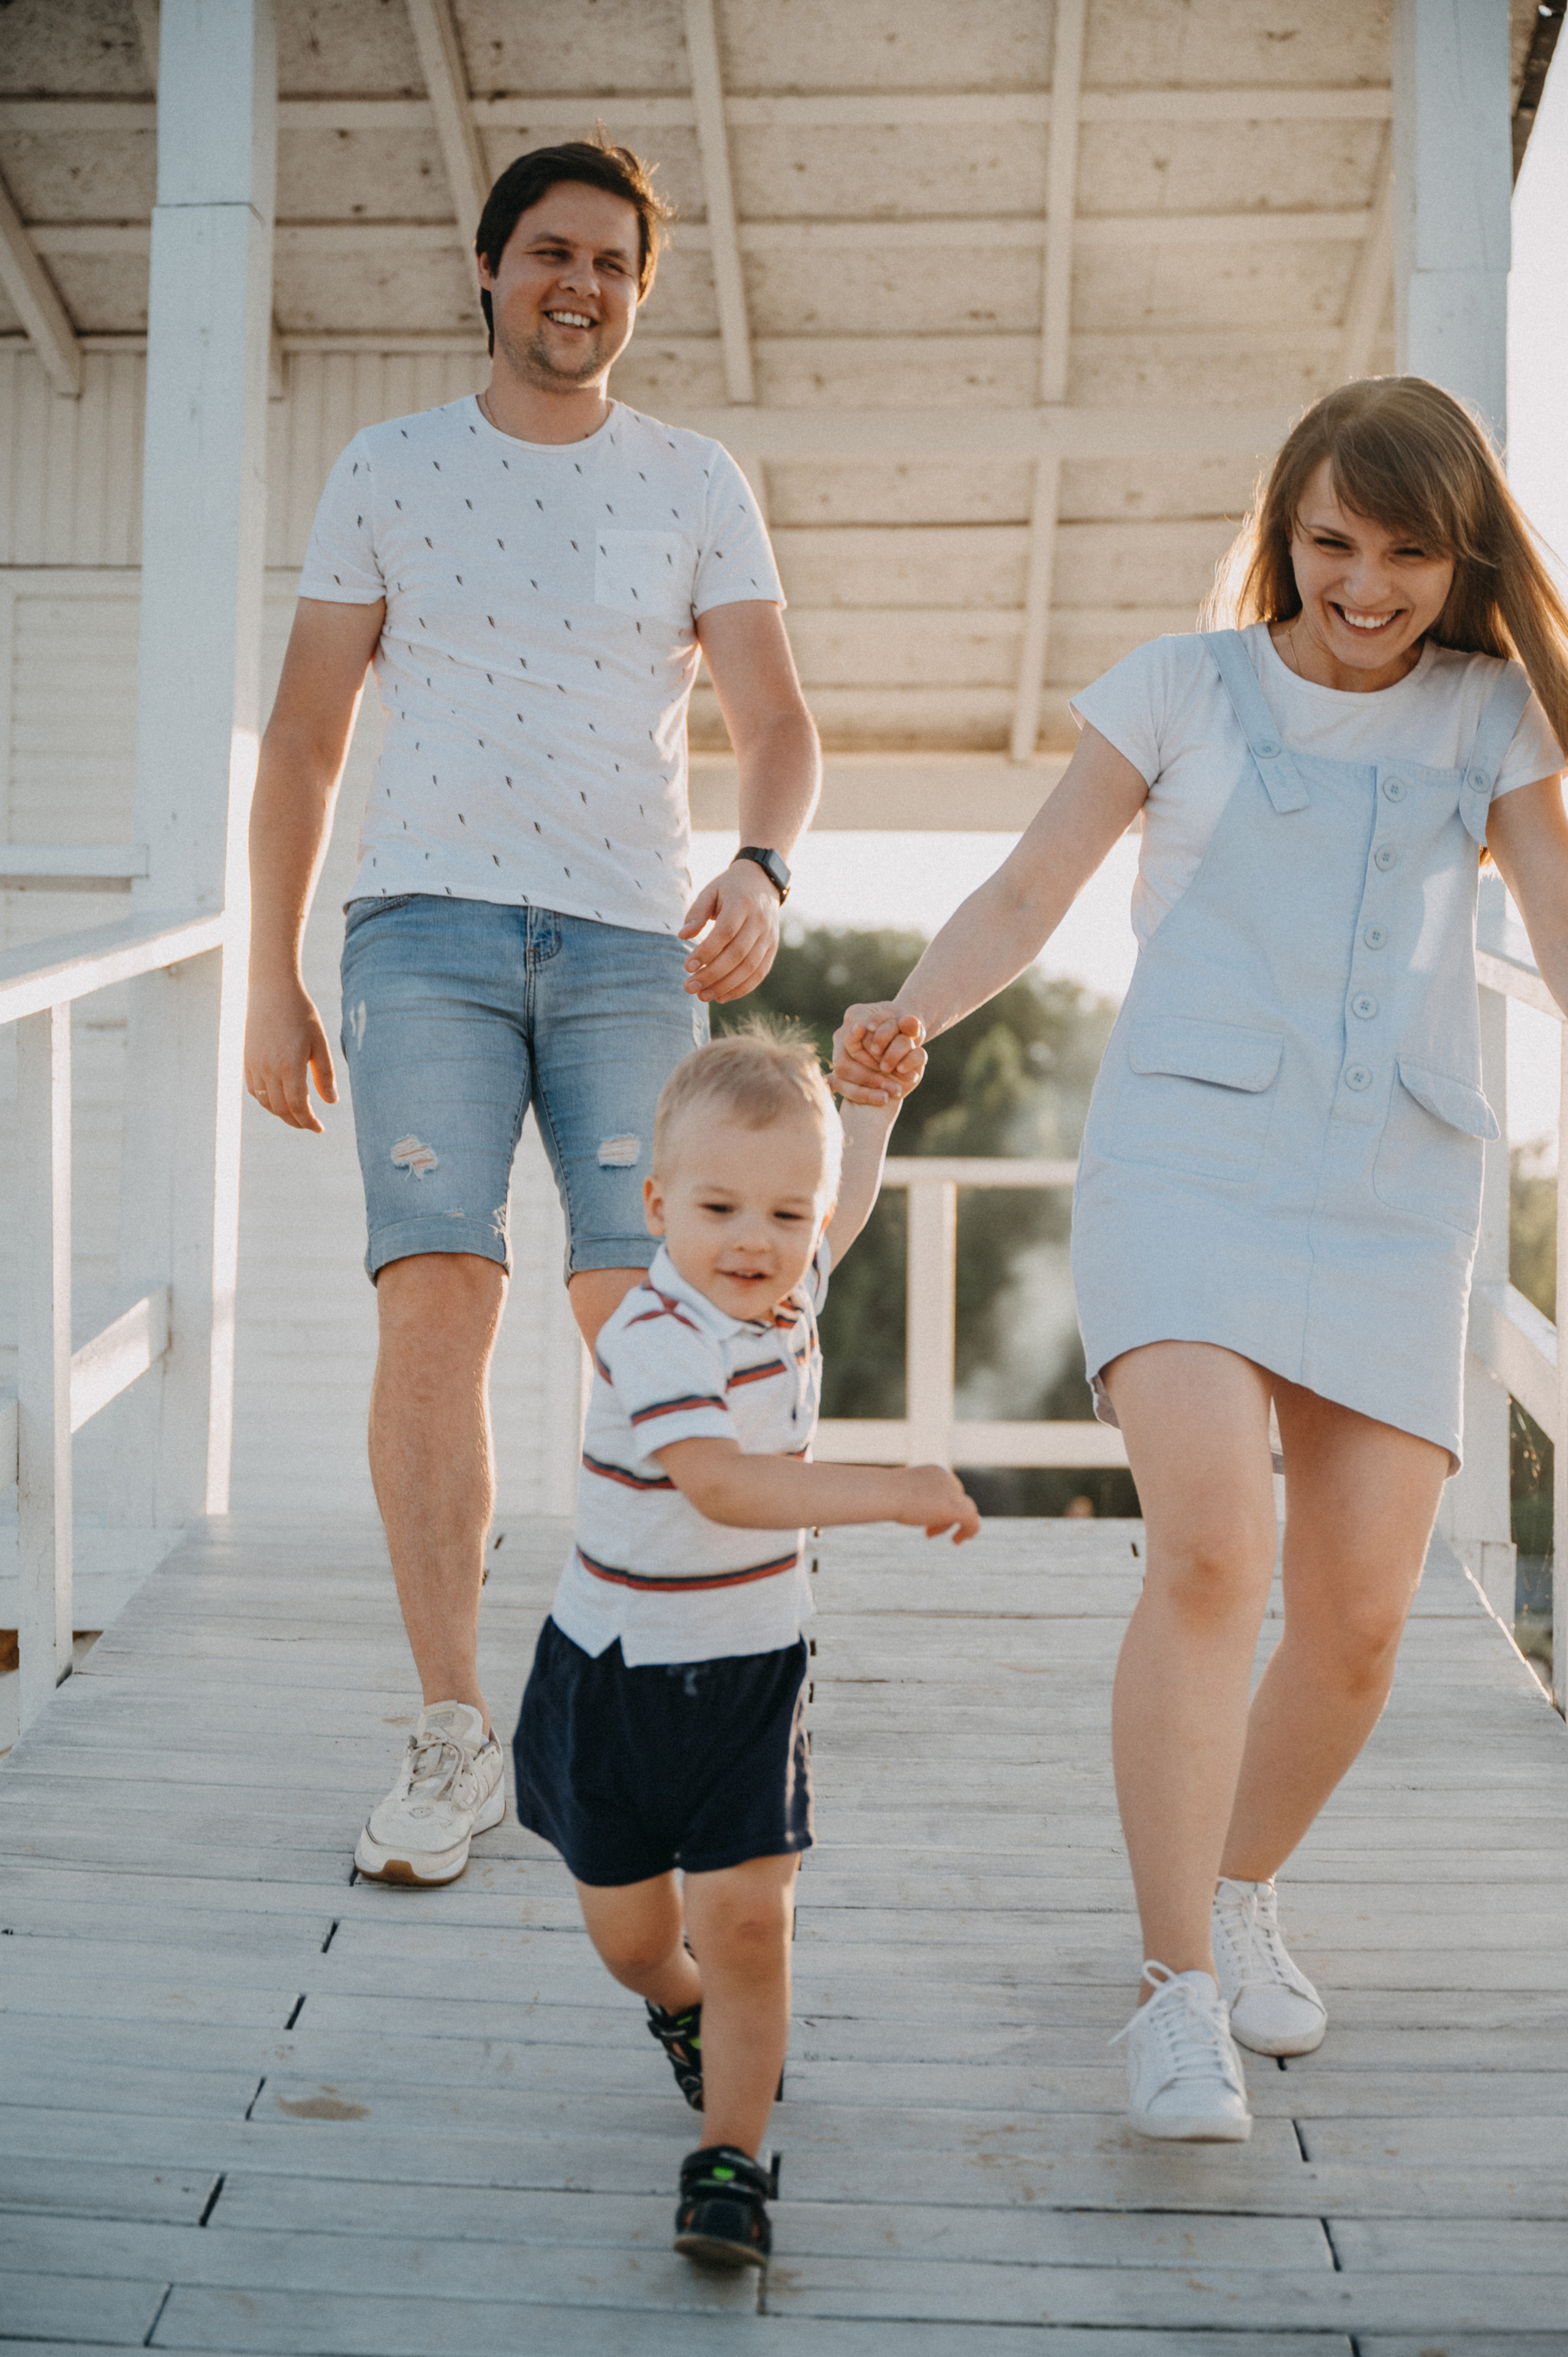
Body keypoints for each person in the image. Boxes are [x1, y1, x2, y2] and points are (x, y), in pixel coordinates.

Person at [832, 377, 1568, 2141]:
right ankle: (1172, 1995)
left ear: (1460, 558)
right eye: (1332, 542)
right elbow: (1029, 892)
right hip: (1187, 1164)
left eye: (1407, 552)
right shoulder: (1181, 684)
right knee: (1215, 1551)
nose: (1366, 585)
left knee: (1368, 1621)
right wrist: (911, 1013)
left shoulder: (1494, 718)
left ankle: (1239, 1892)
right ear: (1285, 527)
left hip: (1397, 1182)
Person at [243, 137, 820, 1885]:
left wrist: (765, 868)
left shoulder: (695, 477)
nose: (583, 286)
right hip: (421, 933)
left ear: (640, 295)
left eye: (616, 266)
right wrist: (271, 972)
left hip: (636, 946)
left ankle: (727, 1658)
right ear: (490, 270)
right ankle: (449, 1734)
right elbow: (303, 741)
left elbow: (779, 724)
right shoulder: (388, 468)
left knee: (653, 1305)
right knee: (435, 1299)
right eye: (553, 253)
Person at [511, 1029, 978, 2268]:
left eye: (784, 1213)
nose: (755, 1239)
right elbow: (718, 1483)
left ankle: (729, 2161)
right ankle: (678, 2007)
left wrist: (868, 1106)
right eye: (719, 1206)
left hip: (750, 1673)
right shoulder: (653, 1331)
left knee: (749, 1922)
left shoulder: (781, 1285)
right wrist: (890, 1488)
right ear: (658, 1204)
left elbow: (847, 1203)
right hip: (614, 1676)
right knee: (632, 1939)